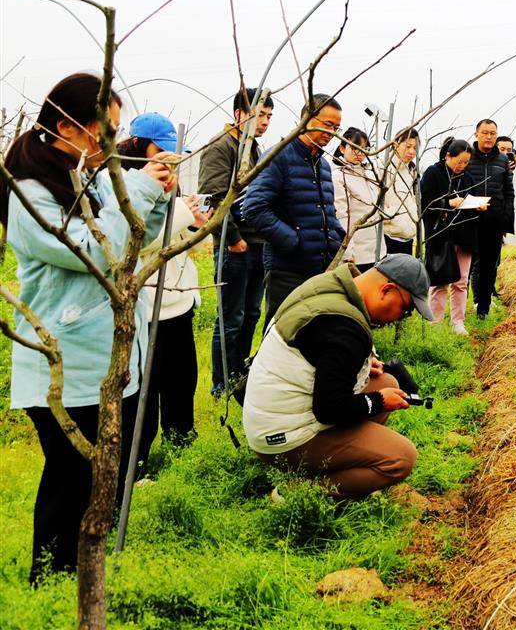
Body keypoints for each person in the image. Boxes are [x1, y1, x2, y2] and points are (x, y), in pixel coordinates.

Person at [1, 73, 173, 583]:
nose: (112, 140)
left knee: (98, 477)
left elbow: (131, 242)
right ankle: (51, 581)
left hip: (103, 355)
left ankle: (82, 576)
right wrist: (140, 187)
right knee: (70, 478)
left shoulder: (86, 175)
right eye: (105, 128)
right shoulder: (29, 192)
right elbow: (95, 251)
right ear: (65, 127)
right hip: (64, 359)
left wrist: (156, 195)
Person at [242, 255, 435, 499]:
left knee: (386, 382)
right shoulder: (345, 327)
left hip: (269, 418)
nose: (401, 318)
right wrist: (379, 401)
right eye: (405, 310)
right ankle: (297, 492)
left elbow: (320, 351)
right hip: (283, 439)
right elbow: (329, 409)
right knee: (401, 457)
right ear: (386, 290)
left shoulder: (330, 286)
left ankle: (344, 466)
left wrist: (361, 365)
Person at [117, 116, 212, 469]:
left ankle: (182, 448)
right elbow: (137, 241)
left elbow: (180, 241)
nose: (169, 159)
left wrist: (195, 224)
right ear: (139, 144)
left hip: (178, 300)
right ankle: (138, 461)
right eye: (161, 150)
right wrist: (182, 214)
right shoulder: (124, 185)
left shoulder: (169, 182)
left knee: (181, 381)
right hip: (148, 305)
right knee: (146, 388)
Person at [242, 95, 346, 330]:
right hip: (287, 269)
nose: (332, 133)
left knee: (312, 332)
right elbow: (254, 208)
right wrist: (293, 241)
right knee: (280, 331)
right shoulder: (278, 157)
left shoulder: (322, 164)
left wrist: (338, 239)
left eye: (336, 128)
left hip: (319, 268)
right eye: (328, 125)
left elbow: (325, 210)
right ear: (307, 119)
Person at [199, 88, 273, 393]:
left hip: (258, 242)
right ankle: (221, 384)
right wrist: (232, 238)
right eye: (260, 115)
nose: (265, 121)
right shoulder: (221, 146)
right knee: (231, 317)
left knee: (252, 313)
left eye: (269, 116)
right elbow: (213, 198)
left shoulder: (253, 147)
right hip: (235, 245)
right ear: (239, 114)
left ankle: (239, 376)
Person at [420, 138, 487, 334]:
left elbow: (472, 198)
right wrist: (448, 203)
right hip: (441, 235)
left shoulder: (467, 177)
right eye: (459, 161)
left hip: (465, 235)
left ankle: (458, 321)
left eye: (466, 162)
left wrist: (478, 206)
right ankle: (435, 322)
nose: (462, 166)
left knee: (461, 281)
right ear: (448, 156)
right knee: (440, 280)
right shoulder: (433, 173)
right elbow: (425, 204)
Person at [465, 119, 515, 318]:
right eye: (485, 133)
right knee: (467, 266)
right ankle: (462, 307)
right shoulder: (468, 157)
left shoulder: (502, 160)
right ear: (476, 134)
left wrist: (506, 221)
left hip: (494, 222)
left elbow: (509, 192)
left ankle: (483, 308)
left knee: (489, 266)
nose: (489, 137)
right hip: (469, 220)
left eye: (492, 133)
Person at [331, 127, 383, 271]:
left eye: (364, 149)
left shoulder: (370, 173)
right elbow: (341, 216)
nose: (360, 153)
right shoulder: (338, 176)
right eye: (355, 148)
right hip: (357, 254)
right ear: (342, 148)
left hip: (377, 250)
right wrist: (347, 252)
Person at [381, 127, 420, 256]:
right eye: (408, 146)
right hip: (388, 236)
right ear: (395, 144)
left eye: (415, 148)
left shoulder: (412, 172)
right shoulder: (383, 168)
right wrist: (389, 216)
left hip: (407, 237)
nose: (411, 151)